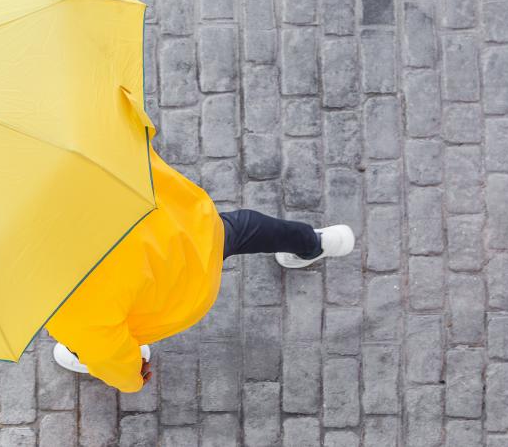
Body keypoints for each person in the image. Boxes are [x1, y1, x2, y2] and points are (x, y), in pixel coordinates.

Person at [44, 143, 355, 393]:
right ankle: (315, 242)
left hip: (179, 292)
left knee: (85, 341)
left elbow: (107, 354)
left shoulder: (63, 297)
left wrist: (131, 376)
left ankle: (79, 355)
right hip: (190, 227)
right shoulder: (82, 149)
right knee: (246, 226)